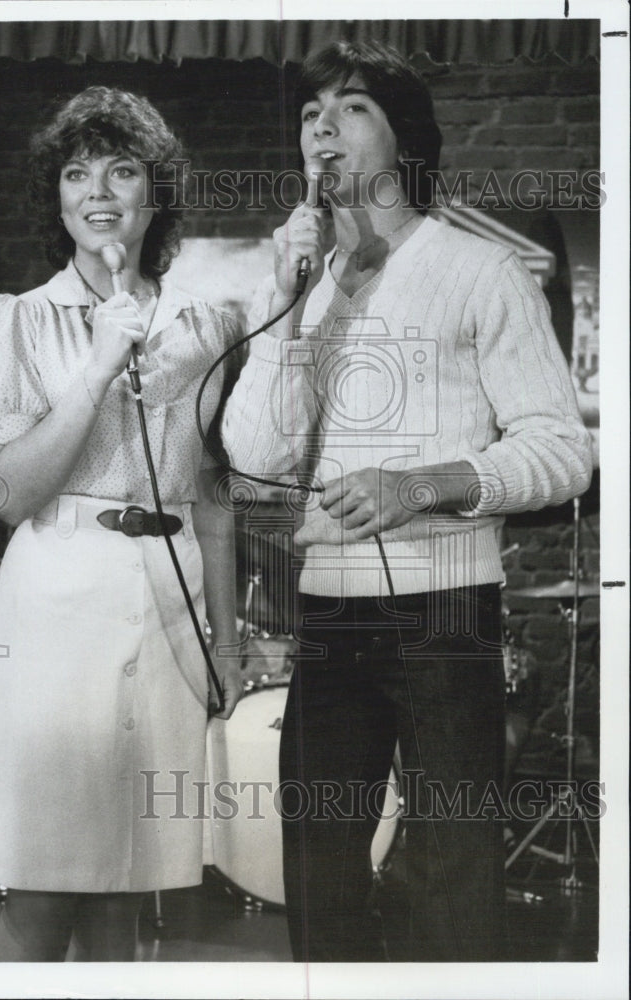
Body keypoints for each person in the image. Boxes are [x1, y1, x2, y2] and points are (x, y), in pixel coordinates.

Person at [222, 40, 593, 962]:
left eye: (350, 110)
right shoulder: (296, 289)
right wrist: (284, 300)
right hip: (329, 610)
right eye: (311, 116)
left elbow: (562, 452)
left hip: (445, 612)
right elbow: (255, 456)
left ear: (403, 140)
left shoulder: (478, 271)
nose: (322, 130)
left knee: (452, 866)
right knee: (318, 861)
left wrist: (420, 485)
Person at [0, 86, 243, 961]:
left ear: (157, 193)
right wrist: (100, 363)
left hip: (170, 614)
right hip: (54, 612)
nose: (98, 189)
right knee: (41, 891)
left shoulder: (208, 324)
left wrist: (226, 638)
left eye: (122, 169)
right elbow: (7, 494)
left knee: (129, 899)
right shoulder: (13, 320)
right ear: (56, 197)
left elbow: (212, 492)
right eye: (76, 173)